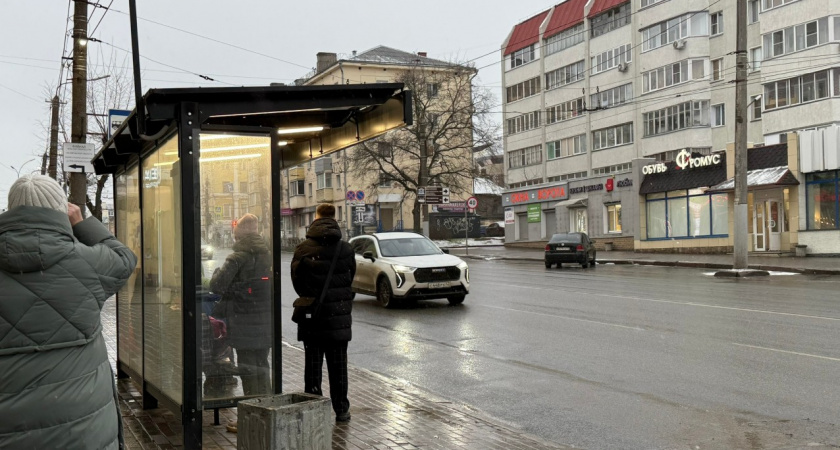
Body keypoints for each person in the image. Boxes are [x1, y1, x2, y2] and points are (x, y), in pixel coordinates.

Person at [0, 174, 137, 449]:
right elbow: (124, 258)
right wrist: (83, 224)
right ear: (61, 210)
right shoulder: (89, 263)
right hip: (84, 427)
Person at [291, 203, 356, 422]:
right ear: (334, 218)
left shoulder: (303, 249)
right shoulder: (346, 249)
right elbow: (350, 279)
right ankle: (341, 409)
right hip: (339, 317)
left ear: (316, 217)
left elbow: (297, 282)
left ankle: (314, 409)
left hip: (313, 317)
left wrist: (312, 294)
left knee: (313, 365)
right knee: (338, 367)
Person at [210, 214, 272, 398]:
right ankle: (266, 407)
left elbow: (217, 285)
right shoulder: (268, 256)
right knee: (262, 363)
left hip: (243, 318)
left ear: (239, 237)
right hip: (265, 319)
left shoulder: (236, 258)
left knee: (247, 366)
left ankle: (251, 413)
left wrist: (216, 274)